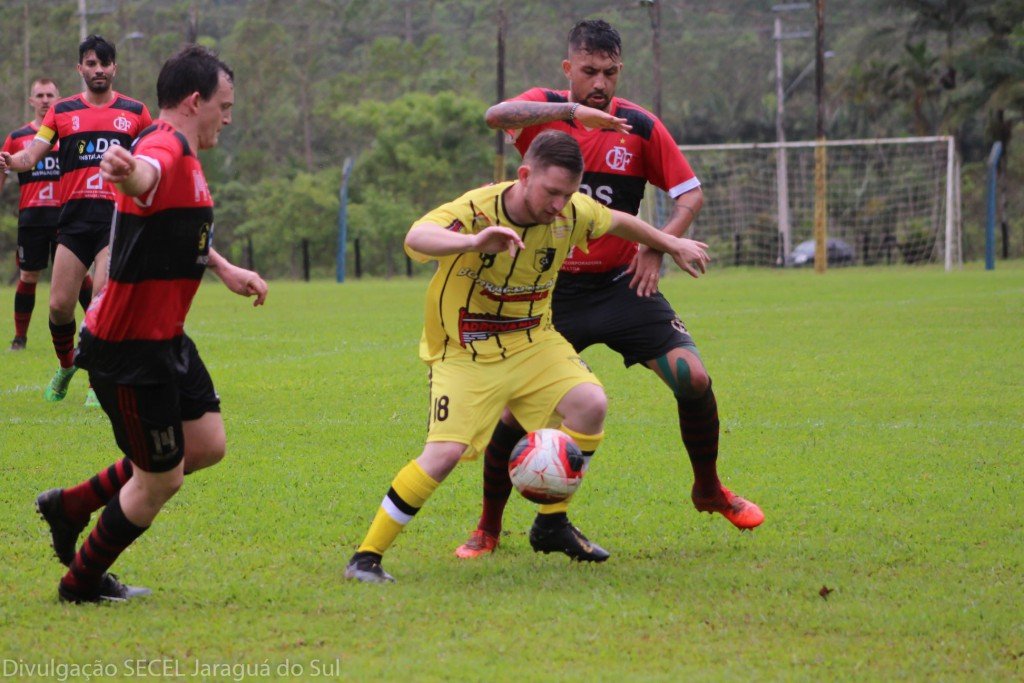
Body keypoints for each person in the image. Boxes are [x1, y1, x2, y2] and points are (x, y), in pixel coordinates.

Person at [454, 19, 763, 560]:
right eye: (590, 71)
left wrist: (656, 244)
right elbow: (493, 116)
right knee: (515, 414)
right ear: (568, 69)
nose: (600, 82)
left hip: (622, 288)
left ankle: (709, 489)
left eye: (610, 73)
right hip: (549, 295)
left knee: (693, 378)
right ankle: (488, 527)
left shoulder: (639, 127)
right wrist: (570, 113)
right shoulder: (543, 111)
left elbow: (690, 193)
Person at [344, 130, 711, 584]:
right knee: (443, 454)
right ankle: (365, 557)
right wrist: (473, 243)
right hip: (466, 349)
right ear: (524, 175)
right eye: (551, 192)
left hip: (533, 341)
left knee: (590, 404)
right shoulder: (478, 209)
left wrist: (670, 243)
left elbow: (617, 220)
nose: (559, 204)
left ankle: (551, 522)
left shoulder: (572, 212)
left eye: (568, 194)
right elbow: (417, 236)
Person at [34, 44, 268, 603]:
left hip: (165, 337)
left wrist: (224, 267)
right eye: (225, 106)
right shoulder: (165, 146)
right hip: (129, 348)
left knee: (206, 443)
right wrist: (129, 170)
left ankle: (69, 504)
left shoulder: (180, 152)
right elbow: (146, 174)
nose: (228, 118)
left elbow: (169, 222)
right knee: (161, 478)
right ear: (195, 100)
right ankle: (80, 583)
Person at [0, 35, 151, 404]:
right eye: (91, 63)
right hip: (72, 223)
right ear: (79, 68)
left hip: (115, 221)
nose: (98, 69)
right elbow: (31, 156)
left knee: (100, 302)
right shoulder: (62, 111)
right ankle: (67, 367)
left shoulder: (135, 112)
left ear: (115, 67)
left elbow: (151, 158)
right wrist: (10, 162)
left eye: (105, 63)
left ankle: (97, 383)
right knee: (58, 306)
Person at [1, 79, 95, 351]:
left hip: (67, 217)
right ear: (31, 101)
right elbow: (5, 168)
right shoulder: (18, 138)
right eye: (39, 95)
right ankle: (20, 339)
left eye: (49, 95)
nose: (44, 100)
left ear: (58, 99)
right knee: (28, 277)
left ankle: (95, 331)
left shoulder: (69, 135)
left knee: (81, 278)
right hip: (32, 219)